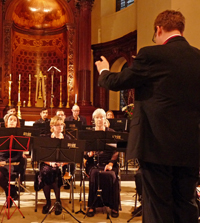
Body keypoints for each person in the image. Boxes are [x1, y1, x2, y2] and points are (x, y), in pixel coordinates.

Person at [95, 10, 200, 223]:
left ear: (158, 29)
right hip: (191, 147)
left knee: (158, 206)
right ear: (181, 29)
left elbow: (118, 82)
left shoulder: (151, 55)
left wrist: (104, 71)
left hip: (156, 147)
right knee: (187, 203)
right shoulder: (197, 57)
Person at [85, 108, 119, 218]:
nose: (100, 119)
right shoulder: (89, 134)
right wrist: (89, 153)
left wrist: (111, 163)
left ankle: (114, 206)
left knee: (111, 175)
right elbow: (84, 151)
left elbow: (117, 150)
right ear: (94, 120)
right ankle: (92, 205)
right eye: (97, 117)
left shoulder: (112, 133)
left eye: (102, 117)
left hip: (109, 162)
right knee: (94, 174)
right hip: (94, 162)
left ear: (105, 119)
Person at [34, 116, 71, 215]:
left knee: (55, 172)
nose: (60, 127)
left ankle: (58, 201)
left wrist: (61, 163)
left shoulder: (67, 138)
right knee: (46, 171)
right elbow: (42, 155)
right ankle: (49, 202)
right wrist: (51, 163)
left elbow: (70, 157)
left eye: (62, 125)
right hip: (47, 163)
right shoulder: (45, 138)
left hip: (62, 165)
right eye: (57, 125)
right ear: (52, 126)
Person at [0, 114, 27, 207]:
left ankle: (10, 192)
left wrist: (6, 162)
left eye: (14, 120)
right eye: (10, 120)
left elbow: (19, 155)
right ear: (6, 122)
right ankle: (11, 190)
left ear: (17, 123)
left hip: (13, 162)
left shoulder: (20, 136)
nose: (12, 121)